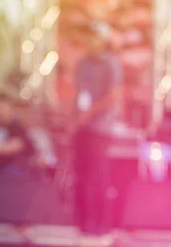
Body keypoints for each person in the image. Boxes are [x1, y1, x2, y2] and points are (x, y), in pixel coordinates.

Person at [73, 23, 123, 234]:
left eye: (94, 37)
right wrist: (76, 117)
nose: (90, 42)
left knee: (99, 176)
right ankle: (83, 223)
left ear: (102, 41)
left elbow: (113, 96)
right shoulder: (81, 63)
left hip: (100, 128)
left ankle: (103, 225)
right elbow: (78, 93)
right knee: (81, 175)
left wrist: (89, 114)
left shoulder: (111, 64)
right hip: (82, 126)